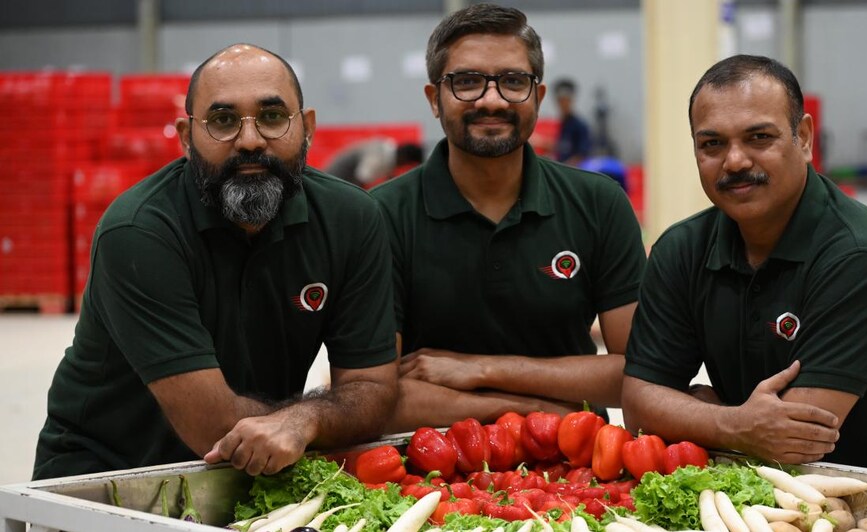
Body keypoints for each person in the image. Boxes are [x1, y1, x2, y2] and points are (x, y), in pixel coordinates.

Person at [33, 44, 399, 480]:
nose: (250, 140)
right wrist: (321, 415)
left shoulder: (351, 219)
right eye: (223, 121)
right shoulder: (139, 232)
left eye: (272, 116)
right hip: (101, 476)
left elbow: (374, 394)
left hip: (254, 473)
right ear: (186, 137)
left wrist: (306, 419)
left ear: (307, 127)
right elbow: (213, 428)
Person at [621, 54, 867, 476]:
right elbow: (638, 405)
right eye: (712, 144)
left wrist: (697, 413)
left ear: (804, 138)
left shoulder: (863, 257)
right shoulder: (681, 250)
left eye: (759, 137)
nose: (735, 161)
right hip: (768, 479)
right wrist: (734, 423)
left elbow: (796, 439)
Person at [370, 4, 646, 432]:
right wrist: (533, 409)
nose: (492, 100)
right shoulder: (381, 216)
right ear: (434, 99)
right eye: (467, 82)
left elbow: (640, 374)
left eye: (513, 81)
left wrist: (481, 369)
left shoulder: (599, 203)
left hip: (574, 458)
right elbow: (374, 394)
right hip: (428, 461)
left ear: (538, 96)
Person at [325, 138, 424, 189]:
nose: (403, 169)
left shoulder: (387, 147)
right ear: (404, 159)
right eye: (407, 166)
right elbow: (360, 181)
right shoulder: (378, 157)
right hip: (333, 181)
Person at [552, 78, 592, 166]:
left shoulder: (580, 126)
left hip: (572, 170)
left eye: (566, 101)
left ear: (571, 101)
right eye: (561, 101)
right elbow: (561, 147)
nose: (563, 105)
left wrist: (564, 167)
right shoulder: (562, 124)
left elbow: (582, 154)